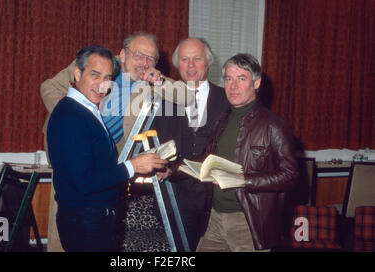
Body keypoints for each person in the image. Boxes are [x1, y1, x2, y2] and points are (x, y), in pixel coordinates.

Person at [41, 32, 191, 251]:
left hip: (106, 159)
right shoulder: (97, 64)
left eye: (151, 58)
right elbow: (48, 88)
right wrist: (75, 123)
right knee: (66, 222)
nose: (144, 63)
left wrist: (158, 81)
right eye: (139, 55)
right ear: (122, 54)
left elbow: (187, 97)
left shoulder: (148, 82)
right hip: (74, 149)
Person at [196, 53, 299, 251]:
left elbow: (291, 176)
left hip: (248, 222)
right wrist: (172, 168)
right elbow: (207, 158)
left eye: (241, 79)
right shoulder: (221, 120)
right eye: (228, 79)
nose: (233, 86)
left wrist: (244, 180)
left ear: (256, 83)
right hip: (214, 218)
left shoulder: (274, 126)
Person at [152, 37, 229, 251]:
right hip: (175, 200)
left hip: (217, 201)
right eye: (185, 59)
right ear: (177, 64)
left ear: (209, 62)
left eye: (197, 58)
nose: (191, 65)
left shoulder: (228, 99)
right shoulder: (160, 100)